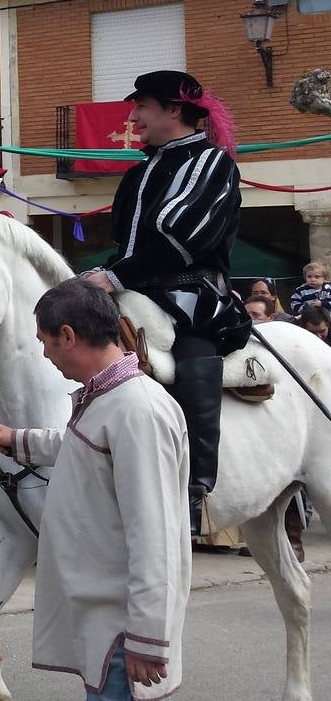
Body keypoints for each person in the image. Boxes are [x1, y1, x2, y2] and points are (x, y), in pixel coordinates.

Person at [0, 278, 189, 700]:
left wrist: (149, 637)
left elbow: (155, 534)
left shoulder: (138, 410)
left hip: (123, 635)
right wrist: (20, 440)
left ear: (69, 335)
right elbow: (79, 446)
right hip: (107, 626)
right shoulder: (107, 398)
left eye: (45, 341)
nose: (43, 353)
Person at [81, 70, 247, 535]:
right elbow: (127, 245)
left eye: (143, 108)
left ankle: (195, 489)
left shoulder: (212, 163)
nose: (133, 117)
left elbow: (183, 240)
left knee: (193, 352)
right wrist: (98, 276)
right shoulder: (140, 171)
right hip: (136, 285)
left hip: (192, 291)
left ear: (174, 111)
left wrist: (114, 276)